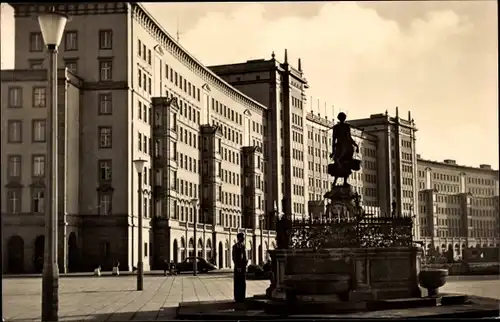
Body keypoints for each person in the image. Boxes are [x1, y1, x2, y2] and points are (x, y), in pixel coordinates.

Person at [330, 112, 359, 186]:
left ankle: (335, 181)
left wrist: (333, 151)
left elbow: (333, 139)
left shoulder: (336, 127)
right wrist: (355, 145)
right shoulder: (346, 126)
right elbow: (349, 138)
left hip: (339, 146)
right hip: (346, 146)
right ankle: (344, 181)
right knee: (347, 164)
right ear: (344, 118)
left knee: (337, 163)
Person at [232, 233, 248, 303]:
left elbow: (245, 257)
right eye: (242, 237)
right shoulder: (235, 246)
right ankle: (237, 297)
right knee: (238, 282)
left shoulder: (244, 246)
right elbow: (234, 257)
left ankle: (242, 297)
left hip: (243, 267)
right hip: (238, 267)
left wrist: (245, 264)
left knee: (243, 282)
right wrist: (238, 266)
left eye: (243, 237)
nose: (243, 238)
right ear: (239, 238)